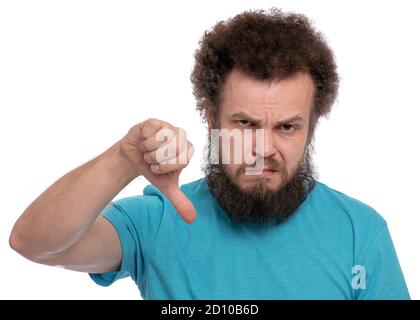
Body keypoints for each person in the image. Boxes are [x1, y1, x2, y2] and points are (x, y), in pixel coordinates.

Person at [9, 8, 410, 299]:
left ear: (313, 124)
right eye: (245, 124)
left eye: (287, 127)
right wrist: (123, 159)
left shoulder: (360, 232)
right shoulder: (158, 219)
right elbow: (33, 243)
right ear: (209, 115)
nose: (264, 149)